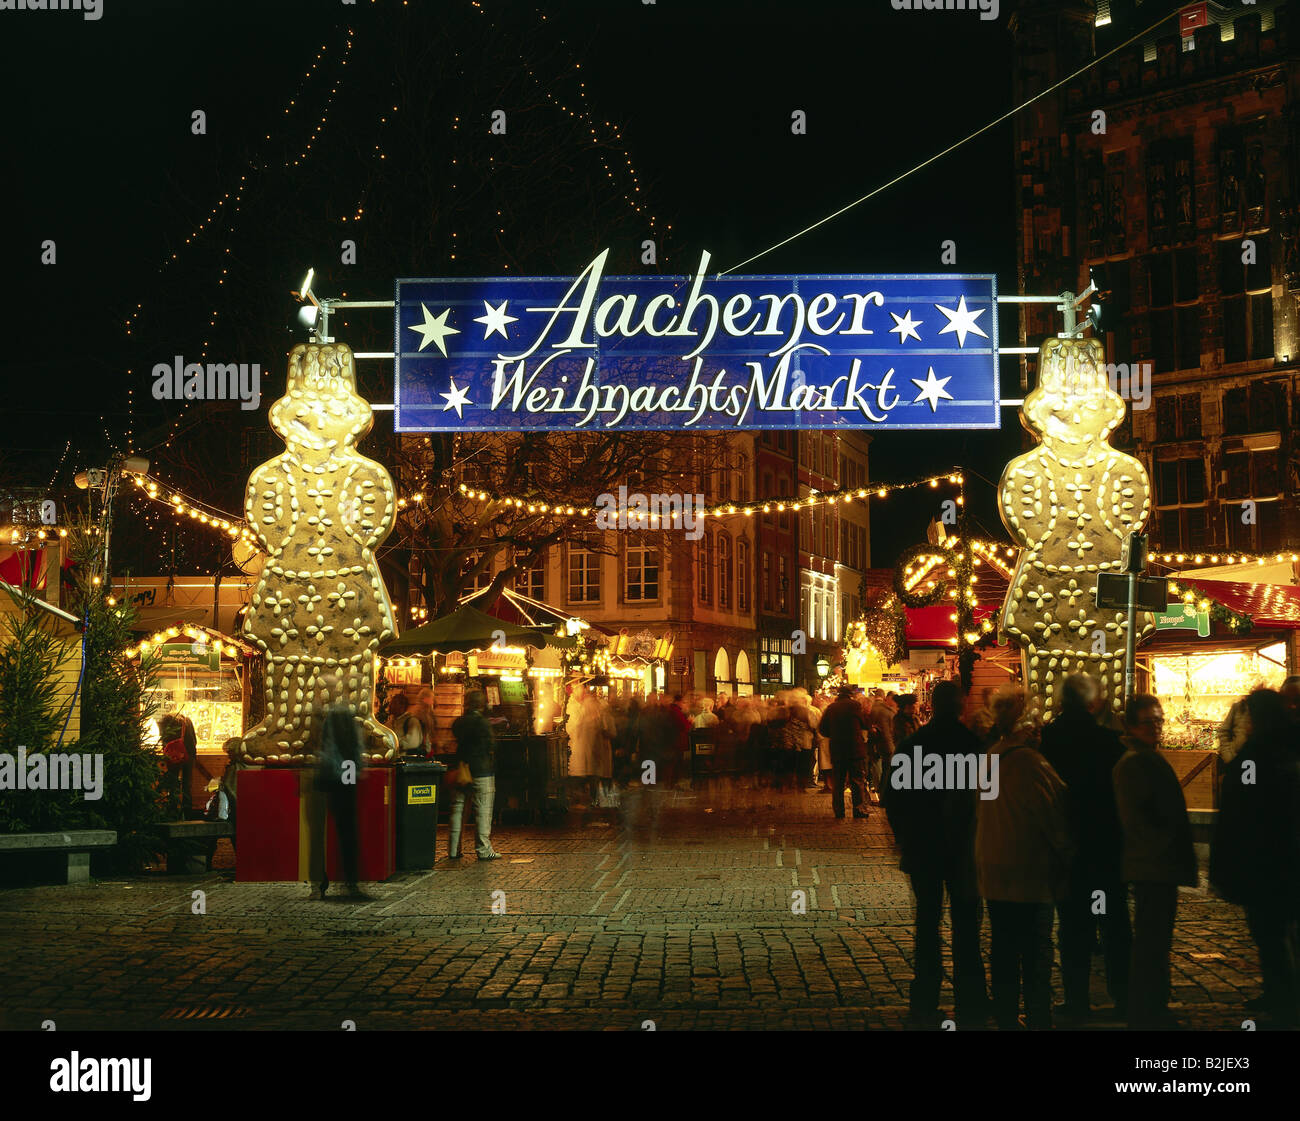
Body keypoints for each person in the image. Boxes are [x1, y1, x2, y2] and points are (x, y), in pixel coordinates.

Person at [886, 680, 990, 1028]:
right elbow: (988, 800)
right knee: (966, 926)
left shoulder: (913, 745)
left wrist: (906, 837)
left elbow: (894, 798)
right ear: (960, 706)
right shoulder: (974, 747)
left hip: (925, 849)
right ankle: (971, 996)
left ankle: (925, 996)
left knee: (928, 924)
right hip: (964, 849)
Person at [975, 688, 1072, 1030]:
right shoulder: (1031, 762)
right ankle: (1037, 1018)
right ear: (1021, 723)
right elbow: (1053, 816)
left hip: (994, 868)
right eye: (1033, 719)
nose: (1038, 727)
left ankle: (1004, 1017)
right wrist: (1067, 857)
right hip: (1028, 870)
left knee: (1003, 951)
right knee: (1035, 955)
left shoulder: (989, 757)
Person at [1039, 673, 1130, 1023]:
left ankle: (1076, 1000)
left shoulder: (1048, 741)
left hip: (1068, 852)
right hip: (1105, 852)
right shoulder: (1111, 744)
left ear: (1062, 702)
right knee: (1113, 926)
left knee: (1073, 928)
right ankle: (1122, 997)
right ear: (1093, 703)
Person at [1211, 688, 1300, 1028]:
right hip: (1283, 860)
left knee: (1270, 934)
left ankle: (1283, 1001)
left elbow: (1244, 812)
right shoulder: (1286, 747)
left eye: (1248, 716)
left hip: (1265, 863)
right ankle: (1280, 995)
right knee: (1279, 933)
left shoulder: (1259, 755)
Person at [1112, 693, 1197, 1030]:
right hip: (1153, 864)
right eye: (1149, 721)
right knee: (1151, 941)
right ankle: (1148, 1010)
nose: (1156, 727)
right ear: (1132, 724)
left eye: (1159, 721)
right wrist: (1164, 845)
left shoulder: (1146, 758)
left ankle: (1152, 1005)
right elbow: (1138, 819)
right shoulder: (1135, 762)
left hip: (1157, 863)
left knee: (1156, 939)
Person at [310, 675, 366, 900]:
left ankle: (328, 882)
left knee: (331, 833)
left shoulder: (329, 715)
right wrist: (350, 779)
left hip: (333, 780)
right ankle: (348, 882)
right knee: (346, 832)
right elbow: (350, 751)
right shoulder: (340, 714)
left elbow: (335, 750)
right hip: (340, 780)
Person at [448, 690, 500, 861]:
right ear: (482, 704)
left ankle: (454, 849)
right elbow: (491, 745)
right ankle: (483, 849)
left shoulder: (459, 722)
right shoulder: (483, 723)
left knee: (457, 809)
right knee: (483, 811)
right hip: (481, 771)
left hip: (462, 769)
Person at [820, 685, 870, 820]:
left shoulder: (831, 708)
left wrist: (835, 733)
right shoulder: (855, 706)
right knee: (857, 780)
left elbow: (822, 729)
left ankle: (839, 811)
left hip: (837, 750)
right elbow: (865, 723)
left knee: (838, 782)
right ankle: (858, 809)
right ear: (850, 695)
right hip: (855, 749)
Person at [158, 710, 198, 818]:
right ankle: (187, 811)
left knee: (173, 783)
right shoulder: (187, 721)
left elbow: (163, 738)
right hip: (188, 756)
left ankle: (173, 810)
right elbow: (194, 740)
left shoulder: (165, 722)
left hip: (172, 757)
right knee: (186, 785)